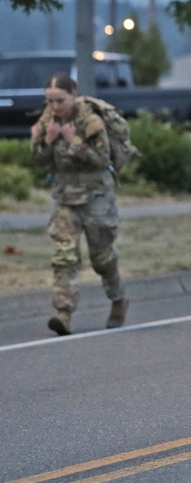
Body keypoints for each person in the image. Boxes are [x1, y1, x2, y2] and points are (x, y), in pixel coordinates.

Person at [30, 73, 128, 336]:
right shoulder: (48, 120)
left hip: (96, 197)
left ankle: (118, 299)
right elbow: (39, 160)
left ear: (73, 94)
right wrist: (47, 141)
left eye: (59, 100)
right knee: (64, 257)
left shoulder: (91, 121)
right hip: (65, 198)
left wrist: (74, 142)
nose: (54, 107)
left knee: (102, 257)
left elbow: (102, 159)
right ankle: (63, 314)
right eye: (49, 101)